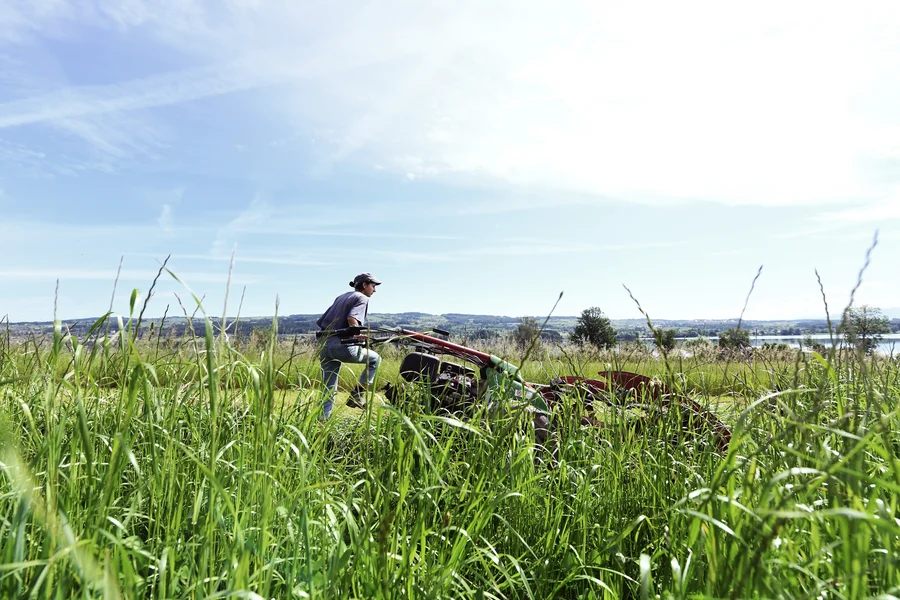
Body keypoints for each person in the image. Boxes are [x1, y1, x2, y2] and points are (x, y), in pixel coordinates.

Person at [316, 272, 383, 419]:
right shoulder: (362, 297)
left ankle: (322, 422)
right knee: (375, 359)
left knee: (328, 387)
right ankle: (358, 394)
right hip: (342, 344)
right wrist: (357, 334)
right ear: (364, 285)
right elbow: (352, 318)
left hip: (324, 345)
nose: (375, 290)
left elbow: (322, 321)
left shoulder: (341, 297)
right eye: (373, 286)